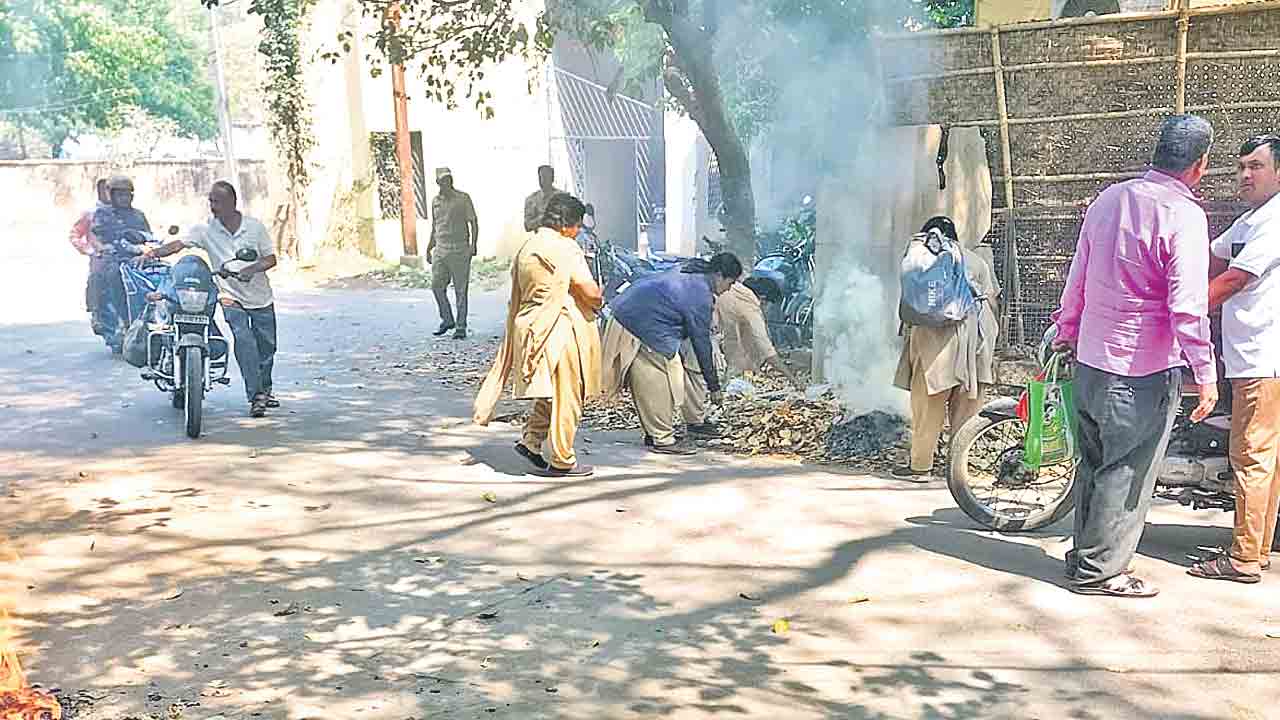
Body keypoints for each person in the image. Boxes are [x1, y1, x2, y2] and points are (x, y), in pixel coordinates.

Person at [1052, 114, 1219, 598]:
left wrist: (1067, 328)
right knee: (1126, 470)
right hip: (1140, 370)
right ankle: (1102, 571)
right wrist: (1205, 374)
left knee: (1095, 462)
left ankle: (1083, 557)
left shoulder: (1109, 199)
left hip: (1091, 360)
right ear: (1199, 165)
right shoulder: (1183, 214)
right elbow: (1187, 307)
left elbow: (1077, 275)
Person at [1188, 134, 1280, 584]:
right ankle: (1256, 550)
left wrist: (1180, 313)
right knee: (1267, 458)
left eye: (1256, 166)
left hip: (1265, 358)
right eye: (1242, 165)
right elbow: (1210, 256)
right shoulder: (1251, 220)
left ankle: (1243, 558)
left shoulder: (1276, 220)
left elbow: (1234, 279)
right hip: (1250, 356)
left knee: (1251, 455)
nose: (1245, 174)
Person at [475, 193, 603, 477]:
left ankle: (531, 442)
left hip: (530, 327)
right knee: (569, 395)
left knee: (551, 393)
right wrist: (599, 300)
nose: (579, 230)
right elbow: (590, 292)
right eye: (578, 224)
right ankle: (563, 460)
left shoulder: (528, 246)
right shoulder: (565, 248)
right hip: (561, 328)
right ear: (565, 224)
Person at [143, 181, 279, 417]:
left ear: (232, 203)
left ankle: (265, 388)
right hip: (229, 294)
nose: (213, 206)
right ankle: (255, 395)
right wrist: (153, 253)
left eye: (217, 201)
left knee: (267, 346)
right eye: (211, 201)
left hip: (260, 296)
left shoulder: (254, 228)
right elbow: (179, 244)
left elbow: (270, 259)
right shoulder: (206, 230)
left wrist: (251, 269)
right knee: (244, 340)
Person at [892, 216, 1001, 481]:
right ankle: (957, 470)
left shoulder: (921, 261)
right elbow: (993, 301)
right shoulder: (975, 261)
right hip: (974, 341)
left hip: (933, 344)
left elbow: (912, 306)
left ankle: (920, 467)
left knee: (928, 408)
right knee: (966, 408)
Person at [601, 253, 742, 455]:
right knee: (660, 384)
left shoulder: (694, 269)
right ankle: (662, 439)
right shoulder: (700, 295)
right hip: (640, 324)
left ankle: (655, 432)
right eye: (730, 282)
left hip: (628, 314)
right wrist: (714, 387)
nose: (729, 288)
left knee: (651, 382)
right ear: (719, 275)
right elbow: (701, 342)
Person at [679, 271, 805, 438]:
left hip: (688, 328)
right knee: (699, 373)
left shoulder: (736, 289)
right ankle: (696, 424)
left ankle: (696, 419)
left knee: (698, 374)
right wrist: (793, 379)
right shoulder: (750, 304)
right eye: (767, 305)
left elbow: (733, 338)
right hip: (697, 331)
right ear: (762, 297)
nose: (765, 309)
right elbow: (765, 347)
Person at [92, 175, 152, 348]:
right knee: (113, 275)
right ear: (111, 196)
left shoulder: (138, 215)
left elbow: (148, 236)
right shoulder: (103, 214)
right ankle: (121, 318)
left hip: (137, 257)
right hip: (115, 257)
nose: (123, 199)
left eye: (126, 195)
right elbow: (97, 235)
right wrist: (104, 247)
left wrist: (146, 245)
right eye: (119, 195)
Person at [427, 167, 479, 339]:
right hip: (441, 248)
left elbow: (473, 222)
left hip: (459, 248)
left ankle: (461, 326)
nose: (447, 183)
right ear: (438, 183)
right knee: (436, 286)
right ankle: (447, 319)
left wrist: (473, 245)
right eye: (443, 180)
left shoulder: (463, 199)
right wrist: (429, 247)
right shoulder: (435, 201)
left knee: (460, 289)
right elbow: (435, 226)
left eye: (449, 179)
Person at [70, 178, 110, 315]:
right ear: (99, 192)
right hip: (101, 256)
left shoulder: (126, 213)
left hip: (125, 254)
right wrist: (89, 250)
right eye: (106, 190)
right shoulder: (91, 214)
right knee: (96, 276)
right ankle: (96, 312)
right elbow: (75, 235)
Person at [523, 165, 562, 233]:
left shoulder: (563, 197)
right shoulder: (531, 200)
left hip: (559, 238)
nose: (543, 180)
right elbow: (527, 226)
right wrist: (542, 218)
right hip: (540, 240)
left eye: (546, 177)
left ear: (552, 178)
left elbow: (569, 221)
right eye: (541, 177)